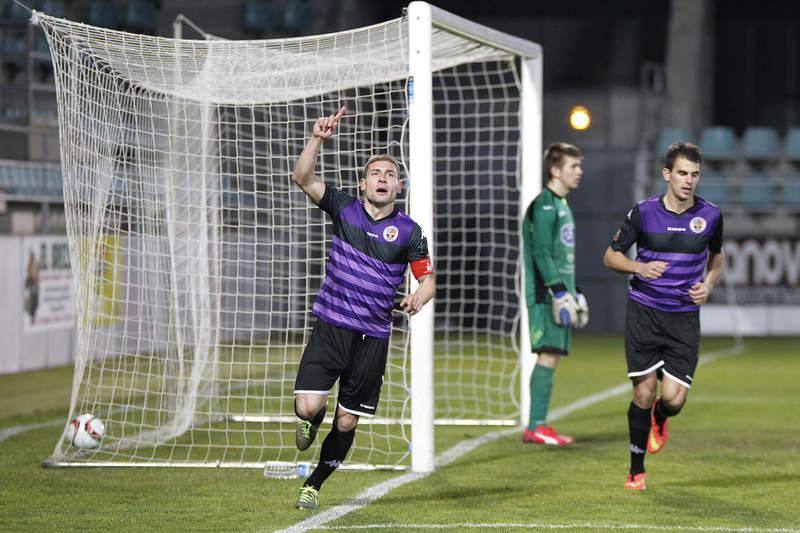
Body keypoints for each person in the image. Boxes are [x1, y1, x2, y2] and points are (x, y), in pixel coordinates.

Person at [290, 105, 435, 510]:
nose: (383, 178)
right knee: (307, 405)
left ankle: (313, 484)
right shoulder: (344, 208)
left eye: (390, 174)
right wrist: (317, 138)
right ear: (363, 183)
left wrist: (420, 295)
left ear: (399, 186)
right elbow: (303, 177)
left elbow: (428, 280)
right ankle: (310, 420)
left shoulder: (409, 232)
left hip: (373, 338)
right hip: (331, 327)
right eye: (376, 173)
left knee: (347, 419)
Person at [603, 142, 724, 490]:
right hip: (644, 311)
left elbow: (717, 256)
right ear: (667, 174)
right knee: (643, 393)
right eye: (682, 173)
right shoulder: (643, 213)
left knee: (673, 399)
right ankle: (636, 470)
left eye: (695, 174)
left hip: (684, 316)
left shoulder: (711, 215)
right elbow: (610, 256)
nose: (689, 180)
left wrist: (708, 284)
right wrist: (639, 267)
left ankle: (661, 416)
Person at [521, 142, 589, 446]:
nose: (579, 171)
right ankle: (536, 426)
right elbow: (541, 253)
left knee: (553, 356)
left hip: (559, 292)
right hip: (545, 294)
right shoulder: (544, 205)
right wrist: (559, 292)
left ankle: (539, 424)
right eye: (573, 166)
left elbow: (562, 257)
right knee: (547, 354)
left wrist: (575, 292)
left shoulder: (562, 204)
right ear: (555, 170)